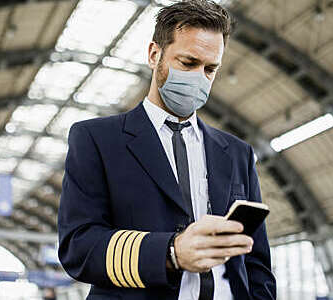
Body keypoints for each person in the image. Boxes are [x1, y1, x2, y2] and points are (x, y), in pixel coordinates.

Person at [57, 1, 276, 299]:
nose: (200, 78)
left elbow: (256, 262)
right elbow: (79, 247)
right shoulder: (96, 139)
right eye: (188, 63)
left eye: (210, 69)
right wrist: (171, 252)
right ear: (154, 54)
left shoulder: (237, 153)